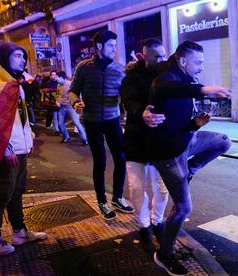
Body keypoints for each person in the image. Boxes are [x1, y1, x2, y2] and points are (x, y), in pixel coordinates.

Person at [149, 40, 232, 275]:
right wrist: (204, 89)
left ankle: (191, 171)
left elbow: (178, 112)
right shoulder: (167, 76)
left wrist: (194, 123)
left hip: (187, 138)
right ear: (183, 61)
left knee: (223, 141)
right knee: (184, 208)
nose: (201, 67)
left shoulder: (185, 78)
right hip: (169, 153)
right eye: (198, 62)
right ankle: (164, 254)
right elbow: (166, 88)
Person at [0, 42, 47, 255]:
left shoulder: (14, 83)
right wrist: (6, 148)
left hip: (20, 147)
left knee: (17, 191)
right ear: (4, 57)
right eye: (17, 56)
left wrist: (29, 138)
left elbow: (19, 117)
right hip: (5, 150)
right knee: (3, 193)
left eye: (23, 56)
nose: (23, 60)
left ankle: (19, 232)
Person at [68, 30, 134, 220]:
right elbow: (73, 91)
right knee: (100, 162)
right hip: (92, 121)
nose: (114, 49)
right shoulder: (84, 67)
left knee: (121, 159)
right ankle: (102, 202)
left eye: (115, 45)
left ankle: (117, 198)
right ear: (99, 46)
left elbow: (127, 92)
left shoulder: (119, 69)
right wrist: (75, 102)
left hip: (113, 120)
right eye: (111, 46)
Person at [121, 38, 169, 251]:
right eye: (156, 56)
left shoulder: (168, 75)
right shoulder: (132, 78)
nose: (161, 60)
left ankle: (157, 221)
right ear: (144, 57)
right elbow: (128, 101)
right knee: (138, 188)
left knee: (161, 189)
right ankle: (144, 225)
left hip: (160, 143)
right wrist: (142, 113)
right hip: (137, 142)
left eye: (163, 56)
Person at [55, 71, 88, 145]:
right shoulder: (58, 85)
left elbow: (78, 94)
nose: (55, 78)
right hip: (62, 108)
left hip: (71, 107)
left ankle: (85, 139)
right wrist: (57, 101)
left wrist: (80, 104)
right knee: (60, 124)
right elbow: (59, 95)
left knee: (77, 123)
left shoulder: (70, 84)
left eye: (57, 77)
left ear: (61, 77)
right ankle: (66, 137)